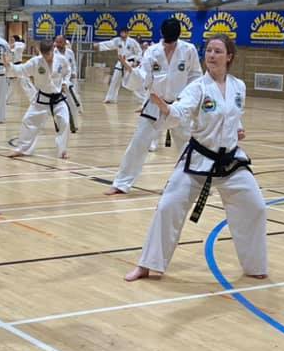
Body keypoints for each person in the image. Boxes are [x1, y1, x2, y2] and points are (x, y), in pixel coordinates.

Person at [124, 35, 266, 281]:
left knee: (256, 207)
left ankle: (255, 266)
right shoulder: (197, 87)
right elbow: (182, 110)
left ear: (229, 57)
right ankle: (147, 264)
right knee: (168, 206)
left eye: (218, 51)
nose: (211, 55)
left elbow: (233, 114)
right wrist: (167, 109)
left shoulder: (238, 86)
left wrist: (237, 128)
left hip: (231, 161)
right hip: (200, 158)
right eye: (209, 50)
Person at [105, 17, 202, 195]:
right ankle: (121, 183)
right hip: (155, 104)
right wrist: (130, 69)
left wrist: (191, 102)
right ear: (162, 35)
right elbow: (143, 77)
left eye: (173, 41)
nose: (170, 45)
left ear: (178, 36)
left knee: (188, 146)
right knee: (138, 143)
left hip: (180, 105)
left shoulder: (189, 50)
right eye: (167, 40)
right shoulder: (152, 51)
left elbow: (196, 77)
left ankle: (198, 183)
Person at [4, 39, 73, 159]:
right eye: (44, 54)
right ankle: (22, 149)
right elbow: (21, 70)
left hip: (58, 99)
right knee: (28, 120)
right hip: (42, 99)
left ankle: (62, 151)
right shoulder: (35, 62)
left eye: (48, 53)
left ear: (53, 50)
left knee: (65, 122)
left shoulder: (62, 60)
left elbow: (68, 72)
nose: (46, 57)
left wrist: (65, 83)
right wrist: (8, 65)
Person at [100, 29, 143, 104]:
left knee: (133, 81)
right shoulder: (117, 40)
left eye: (124, 33)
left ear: (127, 33)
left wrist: (136, 61)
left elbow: (139, 52)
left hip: (129, 63)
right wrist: (99, 45)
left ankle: (142, 98)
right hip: (120, 63)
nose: (122, 34)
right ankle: (110, 98)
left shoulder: (133, 42)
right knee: (114, 80)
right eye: (121, 32)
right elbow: (109, 44)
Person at [54, 35, 82, 130]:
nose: (58, 44)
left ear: (65, 42)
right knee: (58, 105)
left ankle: (74, 125)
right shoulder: (53, 53)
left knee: (72, 103)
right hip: (58, 81)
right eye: (57, 42)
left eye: (60, 42)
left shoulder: (70, 52)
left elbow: (73, 64)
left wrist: (74, 73)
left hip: (70, 81)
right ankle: (60, 125)